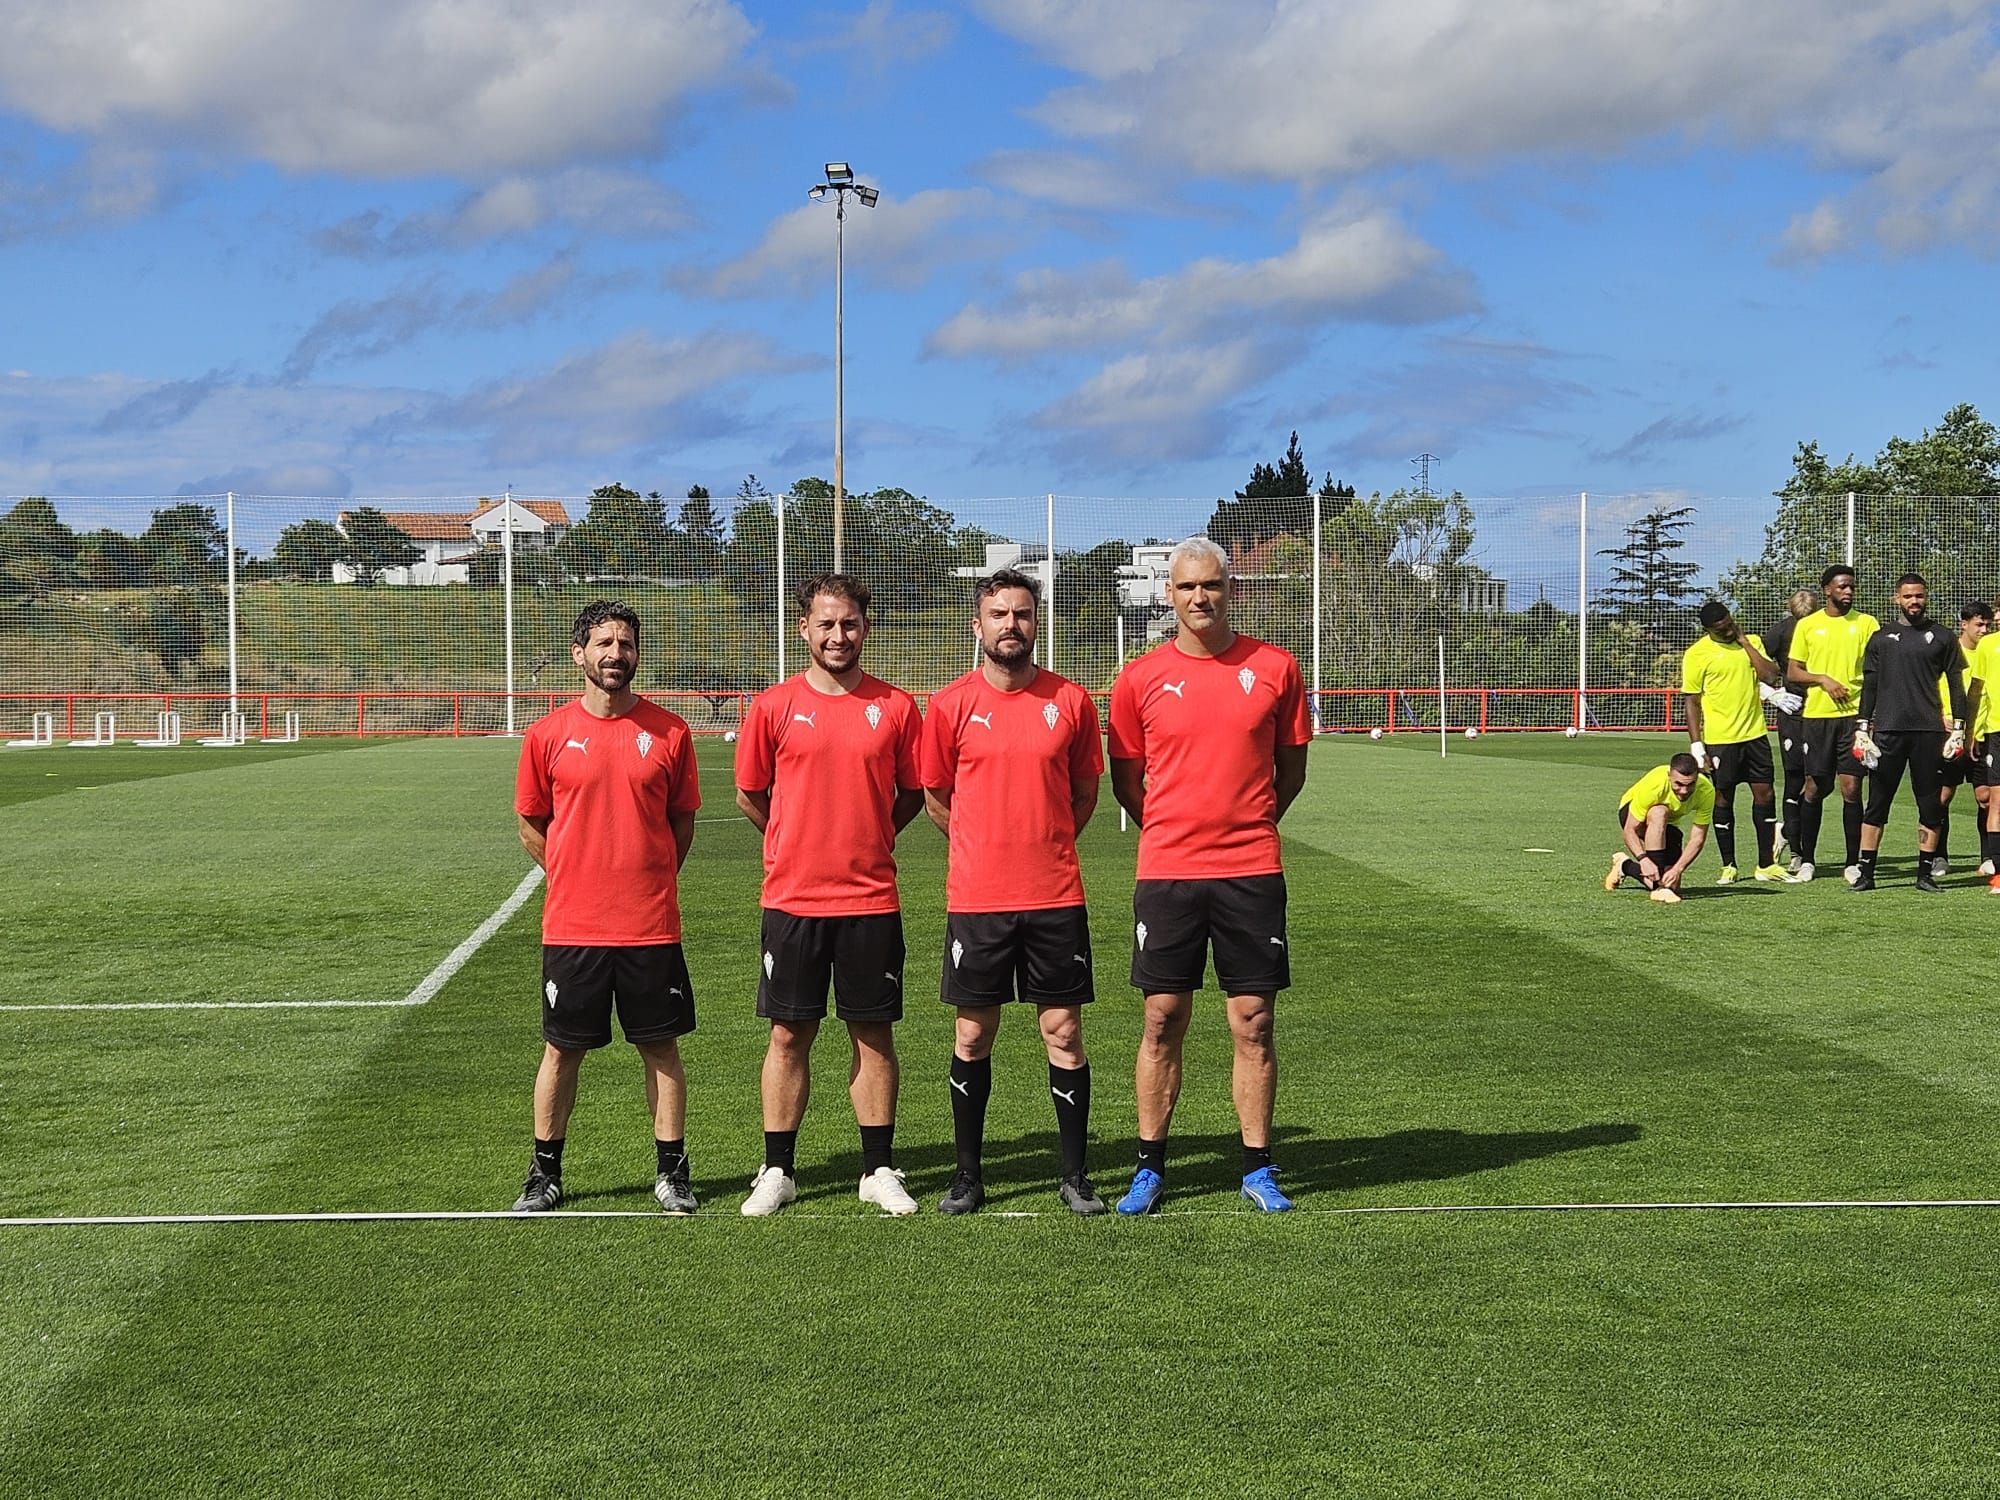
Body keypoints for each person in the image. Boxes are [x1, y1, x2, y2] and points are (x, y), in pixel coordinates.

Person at [1107, 535, 1311, 1215]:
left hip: (1250, 871)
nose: (1200, 598)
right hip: (1167, 871)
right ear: (1170, 594)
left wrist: (1244, 823)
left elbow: (1292, 773)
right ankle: (1149, 1167)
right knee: (1163, 1018)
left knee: (1252, 1020)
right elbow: (1128, 783)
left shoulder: (1277, 668)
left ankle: (1257, 1166)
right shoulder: (1138, 679)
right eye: (1188, 587)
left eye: (1213, 586)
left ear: (1232, 590)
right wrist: (1177, 826)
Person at [734, 573, 925, 1217]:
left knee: (872, 1034)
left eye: (849, 623)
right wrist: (794, 841)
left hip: (870, 900)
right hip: (792, 901)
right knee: (789, 1034)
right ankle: (778, 1170)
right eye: (825, 624)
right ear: (803, 629)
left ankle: (877, 1169)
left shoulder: (897, 708)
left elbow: (910, 796)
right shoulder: (772, 707)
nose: (837, 636)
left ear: (865, 627)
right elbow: (751, 794)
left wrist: (867, 838)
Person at [921, 568, 1108, 1216]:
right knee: (972, 1035)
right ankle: (968, 1176)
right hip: (977, 900)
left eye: (1022, 614)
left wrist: (1046, 841)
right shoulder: (949, 706)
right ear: (978, 626)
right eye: (998, 614)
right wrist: (985, 845)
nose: (1011, 625)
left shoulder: (1072, 703)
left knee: (1063, 1032)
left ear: (1036, 623)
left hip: (1055, 897)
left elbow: (1085, 794)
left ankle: (1076, 1176)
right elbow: (936, 799)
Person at [510, 600, 702, 1215]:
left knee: (661, 1048)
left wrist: (647, 877)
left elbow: (682, 821)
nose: (615, 654)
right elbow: (530, 821)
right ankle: (544, 1174)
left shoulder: (671, 732)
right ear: (579, 654)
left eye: (625, 643)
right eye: (603, 644)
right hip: (574, 927)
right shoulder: (547, 734)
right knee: (561, 1050)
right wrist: (574, 874)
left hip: (650, 927)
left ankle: (672, 1172)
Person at [1850, 573, 1967, 891]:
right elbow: (1870, 686)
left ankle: (1924, 875)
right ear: (1896, 598)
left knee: (1930, 805)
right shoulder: (1881, 637)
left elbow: (1957, 686)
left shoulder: (1942, 636)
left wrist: (1959, 727)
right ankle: (1866, 873)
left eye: (1919, 596)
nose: (1914, 601)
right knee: (1877, 803)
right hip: (1888, 730)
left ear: (1925, 597)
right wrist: (1863, 726)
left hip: (1928, 733)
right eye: (1907, 596)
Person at [1679, 600, 1785, 883]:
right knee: (1723, 796)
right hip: (1720, 741)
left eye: (1729, 625)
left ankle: (1766, 864)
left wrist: (1744, 643)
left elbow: (1771, 676)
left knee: (1766, 795)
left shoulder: (1750, 642)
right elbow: (1692, 701)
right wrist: (1697, 745)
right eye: (1720, 629)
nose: (1727, 631)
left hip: (1755, 735)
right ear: (1708, 629)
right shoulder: (1697, 654)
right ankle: (1729, 864)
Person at [1786, 565, 1879, 883]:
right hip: (1817, 718)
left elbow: (1877, 671)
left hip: (1854, 718)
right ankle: (1806, 858)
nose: (1848, 592)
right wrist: (1822, 679)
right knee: (1814, 787)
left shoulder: (1867, 624)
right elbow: (1793, 672)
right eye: (1842, 587)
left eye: (1851, 587)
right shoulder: (1808, 626)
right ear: (1826, 590)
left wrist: (1872, 717)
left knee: (1851, 788)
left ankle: (1853, 862)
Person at [1603, 752, 1713, 903]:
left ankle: (1625, 866)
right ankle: (1658, 888)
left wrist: (1677, 869)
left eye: (1690, 784)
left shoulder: (1706, 791)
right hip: (1633, 815)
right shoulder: (1655, 785)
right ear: (1669, 776)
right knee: (1659, 811)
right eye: (1678, 784)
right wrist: (1643, 859)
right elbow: (1630, 830)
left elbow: (1698, 838)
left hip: (1669, 823)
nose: (1684, 791)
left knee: (1672, 885)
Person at [1933, 602, 1991, 874]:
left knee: (1986, 798)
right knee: (1943, 796)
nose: (1984, 629)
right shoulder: (1949, 652)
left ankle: (1988, 857)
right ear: (1964, 624)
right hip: (1949, 735)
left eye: (1987, 624)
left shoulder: (1991, 652)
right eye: (1979, 624)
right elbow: (1931, 689)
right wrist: (1939, 717)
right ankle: (1938, 856)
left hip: (1981, 736)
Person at [1763, 588, 1817, 867]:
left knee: (1820, 781)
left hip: (1824, 713)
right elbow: (1750, 662)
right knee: (1796, 779)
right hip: (1794, 713)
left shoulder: (1825, 628)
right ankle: (1798, 850)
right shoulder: (1781, 632)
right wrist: (1771, 693)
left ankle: (1784, 831)